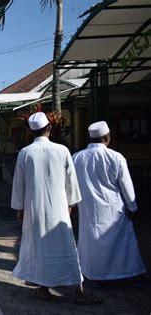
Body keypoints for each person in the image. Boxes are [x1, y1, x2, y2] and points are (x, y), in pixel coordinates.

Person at [11, 112, 103, 305]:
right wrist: (71, 203)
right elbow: (71, 181)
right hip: (59, 209)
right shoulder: (62, 150)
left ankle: (44, 288)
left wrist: (20, 208)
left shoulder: (25, 153)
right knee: (66, 248)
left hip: (34, 210)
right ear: (49, 128)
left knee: (40, 248)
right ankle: (78, 292)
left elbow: (19, 185)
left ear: (29, 131)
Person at [72, 121, 146, 287]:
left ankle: (93, 274)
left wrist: (73, 205)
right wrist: (132, 207)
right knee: (121, 243)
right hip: (114, 210)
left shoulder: (77, 158)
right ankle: (125, 274)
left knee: (92, 243)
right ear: (106, 137)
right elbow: (127, 187)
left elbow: (71, 185)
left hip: (89, 210)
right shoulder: (116, 157)